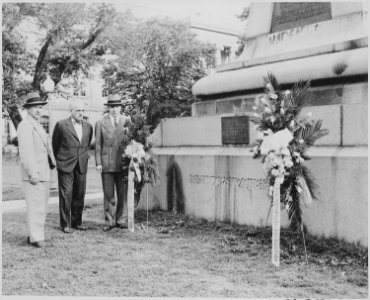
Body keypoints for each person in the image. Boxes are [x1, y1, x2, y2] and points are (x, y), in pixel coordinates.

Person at [17, 91, 56, 248]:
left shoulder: (37, 125)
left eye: (40, 107)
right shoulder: (25, 125)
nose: (38, 110)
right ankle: (36, 238)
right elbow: (26, 152)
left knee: (42, 206)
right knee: (35, 206)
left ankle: (35, 235)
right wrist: (32, 172)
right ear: (28, 109)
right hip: (34, 174)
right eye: (35, 108)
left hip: (44, 172)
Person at [52, 99, 93, 233]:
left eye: (82, 110)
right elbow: (54, 145)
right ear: (71, 111)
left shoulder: (88, 126)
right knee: (66, 194)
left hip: (81, 164)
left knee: (79, 194)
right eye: (78, 110)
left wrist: (84, 156)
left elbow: (86, 145)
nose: (81, 113)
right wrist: (58, 161)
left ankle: (77, 222)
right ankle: (65, 224)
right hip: (65, 164)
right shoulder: (61, 125)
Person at [95, 94, 131, 231]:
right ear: (108, 108)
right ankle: (109, 221)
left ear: (120, 108)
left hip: (122, 163)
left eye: (116, 107)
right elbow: (98, 146)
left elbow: (131, 142)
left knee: (122, 193)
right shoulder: (100, 123)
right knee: (109, 193)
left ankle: (121, 219)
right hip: (107, 164)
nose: (114, 109)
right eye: (112, 107)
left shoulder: (127, 121)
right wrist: (98, 163)